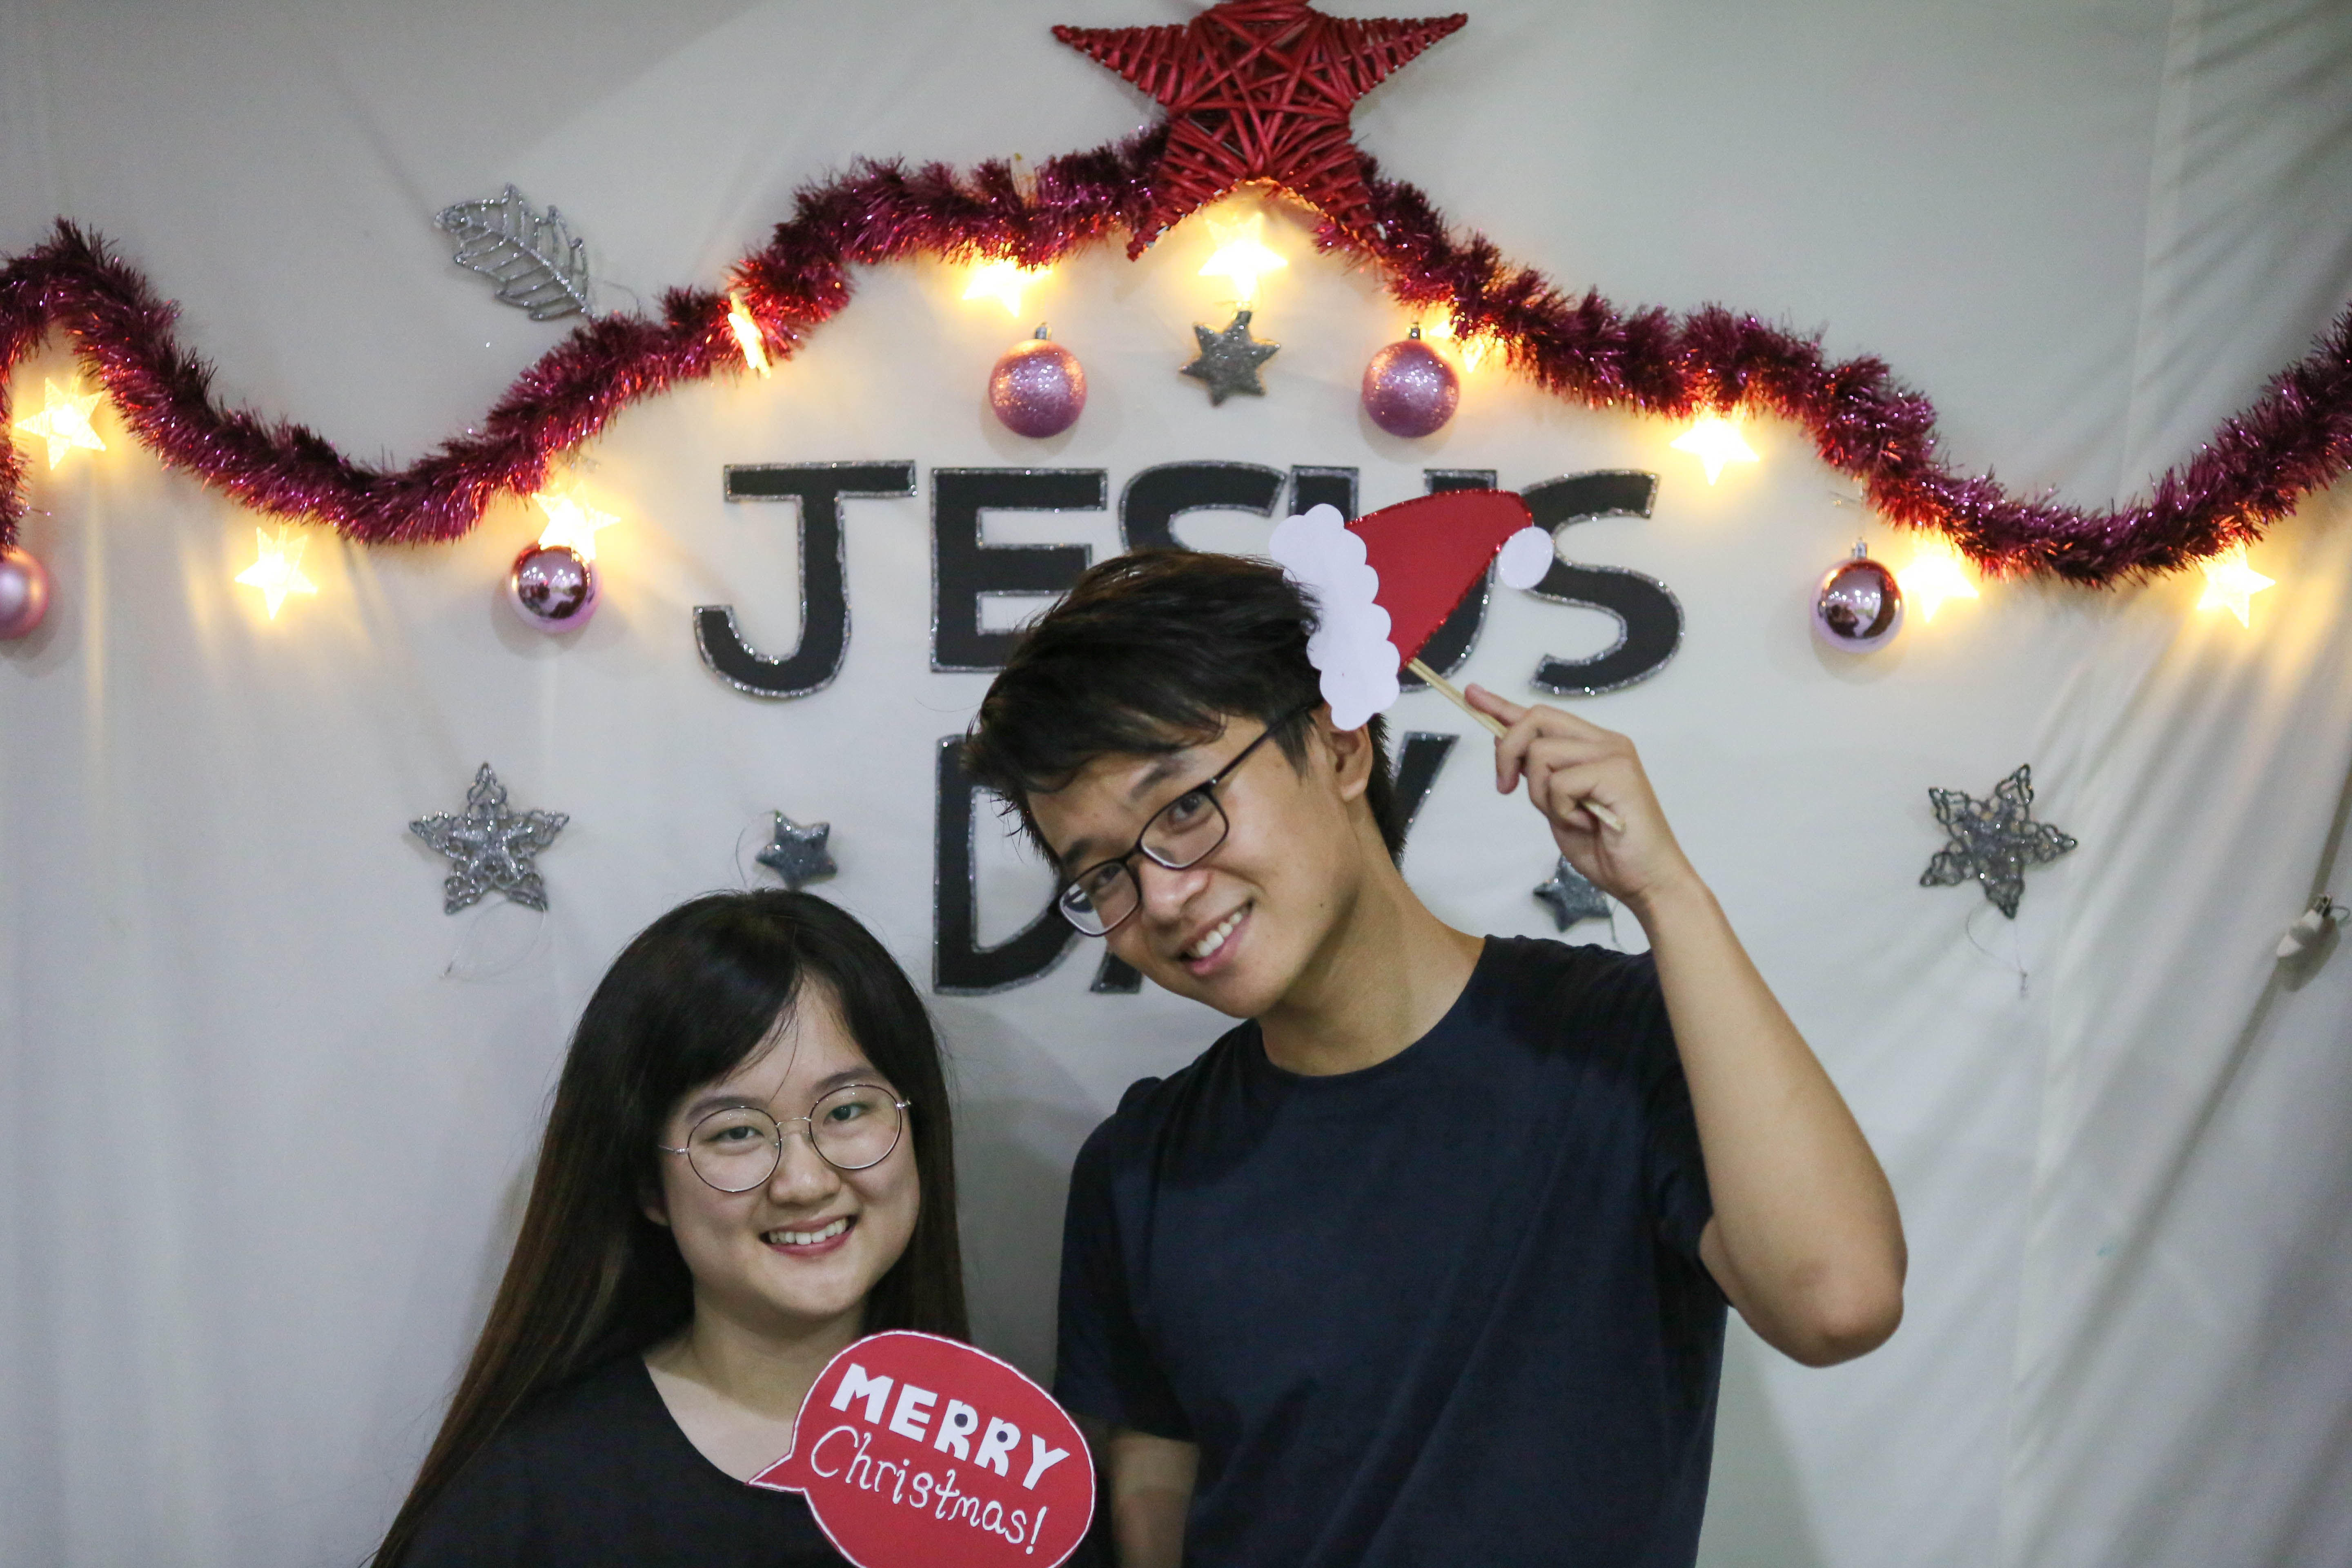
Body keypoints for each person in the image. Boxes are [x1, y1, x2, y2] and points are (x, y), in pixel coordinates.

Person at [962, 549, 1907, 1568]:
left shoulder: (1613, 1041)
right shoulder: (1142, 1163)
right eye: (1103, 874)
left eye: (1185, 807)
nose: (1160, 897)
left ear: (1340, 746)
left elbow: (1838, 1303)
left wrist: (1666, 892)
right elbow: (1158, 1466)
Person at [374, 890, 967, 1567]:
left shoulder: (1016, 1473)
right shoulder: (531, 1492)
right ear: (649, 1186)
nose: (804, 1182)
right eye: (736, 1132)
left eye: (847, 1112)